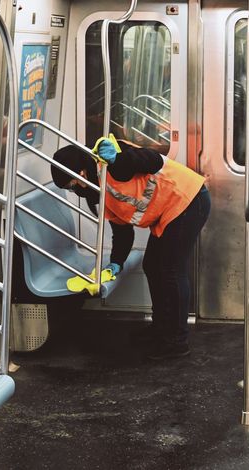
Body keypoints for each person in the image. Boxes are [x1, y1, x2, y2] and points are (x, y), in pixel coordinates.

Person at [51, 138, 210, 359]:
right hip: (169, 211)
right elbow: (123, 232)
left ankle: (176, 340)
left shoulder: (113, 166)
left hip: (188, 200)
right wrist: (117, 261)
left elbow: (153, 160)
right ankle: (161, 329)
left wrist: (118, 160)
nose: (73, 190)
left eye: (70, 185)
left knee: (171, 270)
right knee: (153, 265)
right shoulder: (101, 193)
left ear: (81, 174)